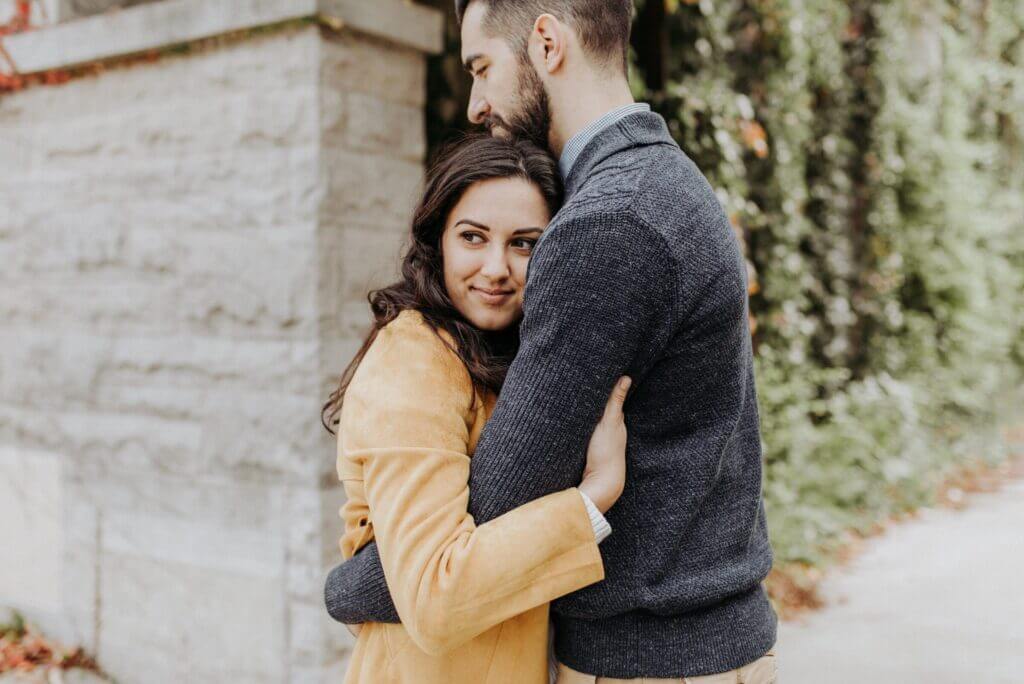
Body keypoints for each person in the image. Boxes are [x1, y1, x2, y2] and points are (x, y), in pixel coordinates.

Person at [326, 1, 780, 682]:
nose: (478, 104)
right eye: (473, 237)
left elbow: (494, 511)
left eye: (482, 68)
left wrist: (353, 586)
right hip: (692, 647)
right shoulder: (662, 183)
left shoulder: (608, 224)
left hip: (652, 662)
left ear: (546, 42)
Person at [322, 135, 632, 684]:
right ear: (437, 239)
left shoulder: (500, 357)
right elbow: (435, 596)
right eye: (472, 237)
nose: (496, 268)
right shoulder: (416, 358)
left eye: (524, 244)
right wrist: (594, 496)